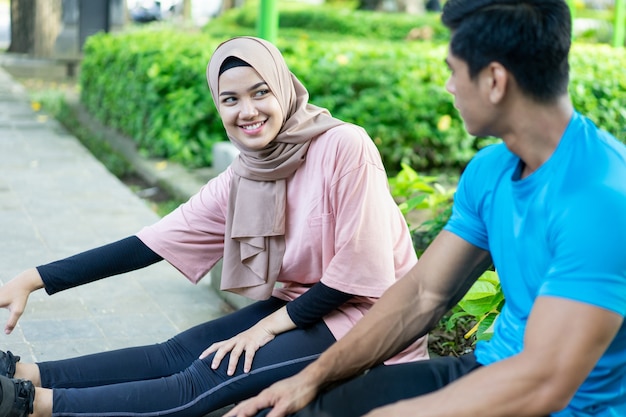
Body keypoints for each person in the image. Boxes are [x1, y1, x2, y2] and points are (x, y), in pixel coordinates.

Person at [226, 1, 626, 416]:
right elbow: (423, 294)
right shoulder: (492, 169)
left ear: (494, 80)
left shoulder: (602, 200)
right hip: (488, 369)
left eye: (453, 70)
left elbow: (544, 382)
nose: (450, 86)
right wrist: (308, 379)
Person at [0, 36, 429, 417]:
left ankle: (29, 406)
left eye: (260, 93)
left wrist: (265, 327)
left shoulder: (344, 145)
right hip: (303, 307)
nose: (248, 111)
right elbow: (146, 245)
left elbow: (359, 271)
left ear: (283, 88)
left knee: (200, 380)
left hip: (372, 320)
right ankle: (23, 375)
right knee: (176, 353)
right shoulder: (245, 174)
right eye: (230, 100)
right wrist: (33, 279)